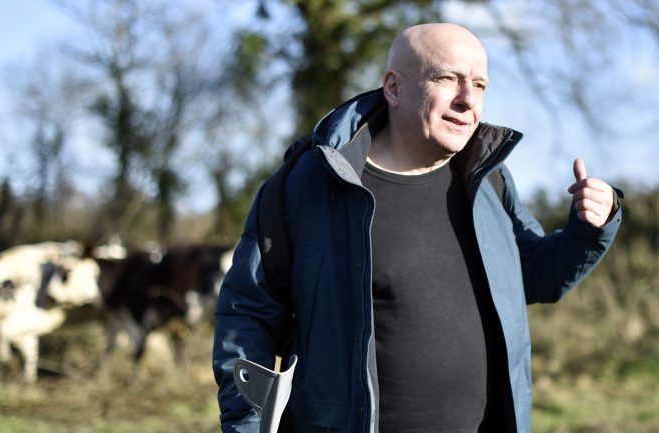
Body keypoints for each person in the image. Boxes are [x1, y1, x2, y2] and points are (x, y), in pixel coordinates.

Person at [212, 22, 621, 433]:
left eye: (479, 85)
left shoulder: (487, 180)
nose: (467, 100)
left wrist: (589, 230)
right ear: (393, 87)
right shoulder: (310, 186)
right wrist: (249, 425)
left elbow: (534, 274)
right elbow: (247, 317)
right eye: (447, 78)